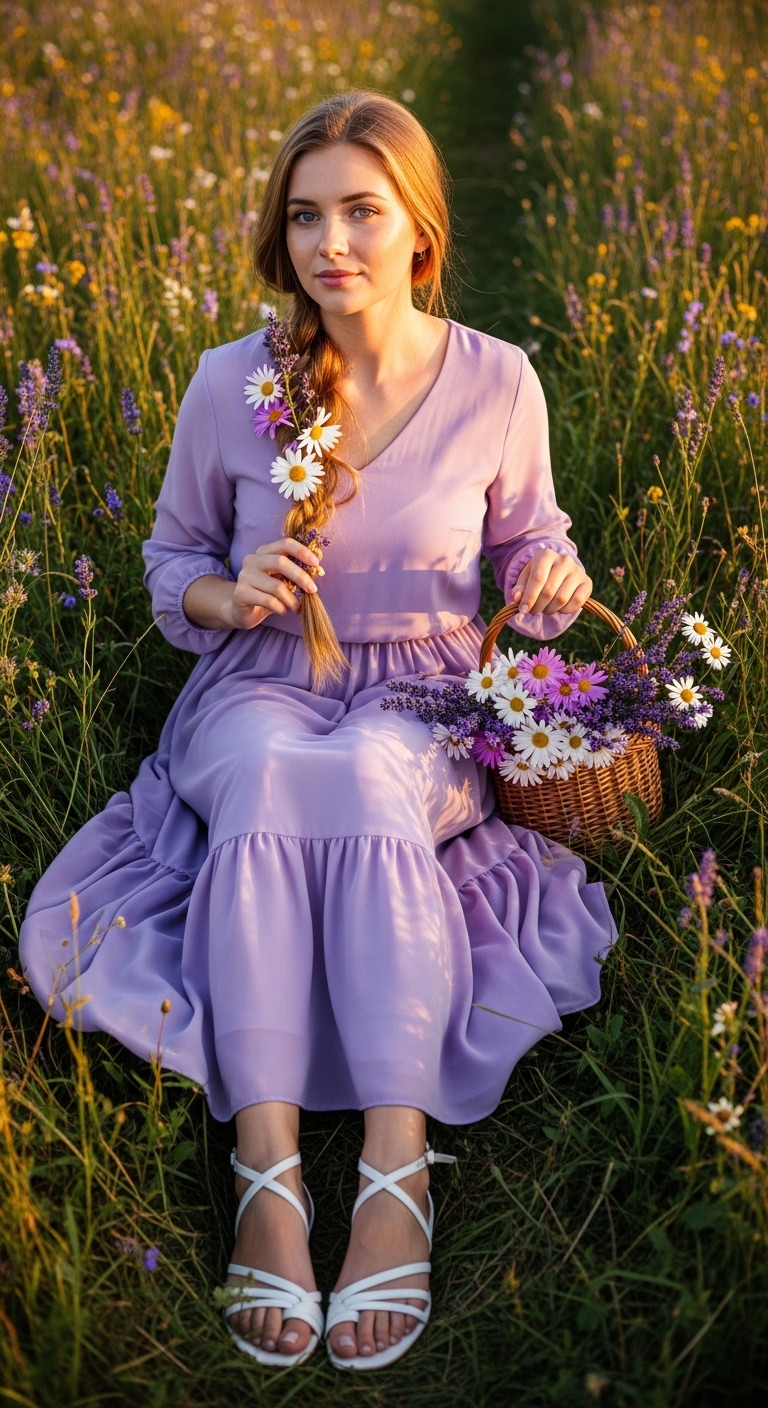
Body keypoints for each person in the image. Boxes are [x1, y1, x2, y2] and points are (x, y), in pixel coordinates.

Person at [19, 91, 615, 1372]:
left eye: (360, 211)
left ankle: (397, 1170)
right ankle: (268, 1167)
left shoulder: (497, 379)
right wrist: (225, 594)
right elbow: (171, 553)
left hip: (423, 689)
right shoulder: (235, 382)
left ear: (419, 230)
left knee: (362, 776)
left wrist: (553, 585)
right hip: (257, 677)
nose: (330, 242)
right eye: (304, 215)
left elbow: (533, 540)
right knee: (280, 774)